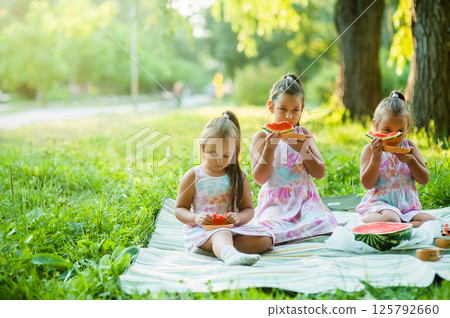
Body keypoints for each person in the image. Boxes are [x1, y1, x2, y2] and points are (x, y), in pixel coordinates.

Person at [175, 110, 273, 266]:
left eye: (226, 155)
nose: (219, 160)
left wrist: (238, 218)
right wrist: (196, 218)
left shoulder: (238, 177)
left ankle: (217, 251)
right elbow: (179, 209)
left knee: (266, 240)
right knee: (221, 233)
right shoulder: (194, 175)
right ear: (202, 148)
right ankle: (229, 255)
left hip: (232, 232)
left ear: (234, 152)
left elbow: (248, 209)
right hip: (201, 233)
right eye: (213, 154)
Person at [250, 74, 338, 245]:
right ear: (271, 107)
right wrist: (269, 149)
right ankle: (294, 234)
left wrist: (303, 150)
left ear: (302, 109)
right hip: (275, 204)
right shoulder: (261, 136)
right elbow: (260, 178)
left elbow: (320, 173)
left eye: (295, 110)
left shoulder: (304, 134)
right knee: (266, 227)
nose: (289, 117)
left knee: (326, 223)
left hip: (306, 201)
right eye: (283, 109)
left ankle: (287, 236)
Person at [356, 91, 435, 227]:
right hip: (380, 206)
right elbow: (367, 184)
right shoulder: (370, 150)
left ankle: (400, 226)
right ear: (375, 125)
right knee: (391, 218)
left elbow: (424, 179)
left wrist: (411, 161)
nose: (394, 137)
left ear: (407, 129)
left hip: (408, 208)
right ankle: (358, 223)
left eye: (400, 131)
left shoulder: (409, 147)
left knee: (432, 222)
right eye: (387, 130)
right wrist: (376, 157)